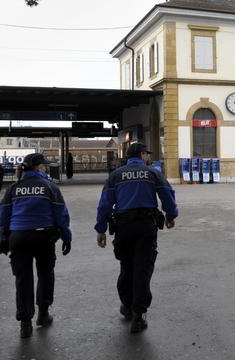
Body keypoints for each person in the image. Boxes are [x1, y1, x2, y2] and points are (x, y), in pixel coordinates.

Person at [95, 142, 178, 334]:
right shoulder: (152, 173)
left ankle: (127, 306)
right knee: (143, 269)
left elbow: (104, 205)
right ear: (142, 155)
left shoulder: (116, 175)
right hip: (146, 227)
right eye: (147, 154)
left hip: (123, 228)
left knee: (126, 267)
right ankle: (138, 315)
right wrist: (171, 216)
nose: (148, 157)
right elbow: (168, 195)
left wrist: (100, 229)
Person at [0, 153, 72, 338]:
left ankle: (25, 323)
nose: (46, 168)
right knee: (45, 274)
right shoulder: (49, 187)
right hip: (43, 236)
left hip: (18, 236)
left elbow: (4, 215)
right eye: (44, 166)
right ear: (38, 167)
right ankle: (43, 314)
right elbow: (61, 215)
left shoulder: (14, 188)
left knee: (23, 279)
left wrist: (3, 238)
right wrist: (66, 237)